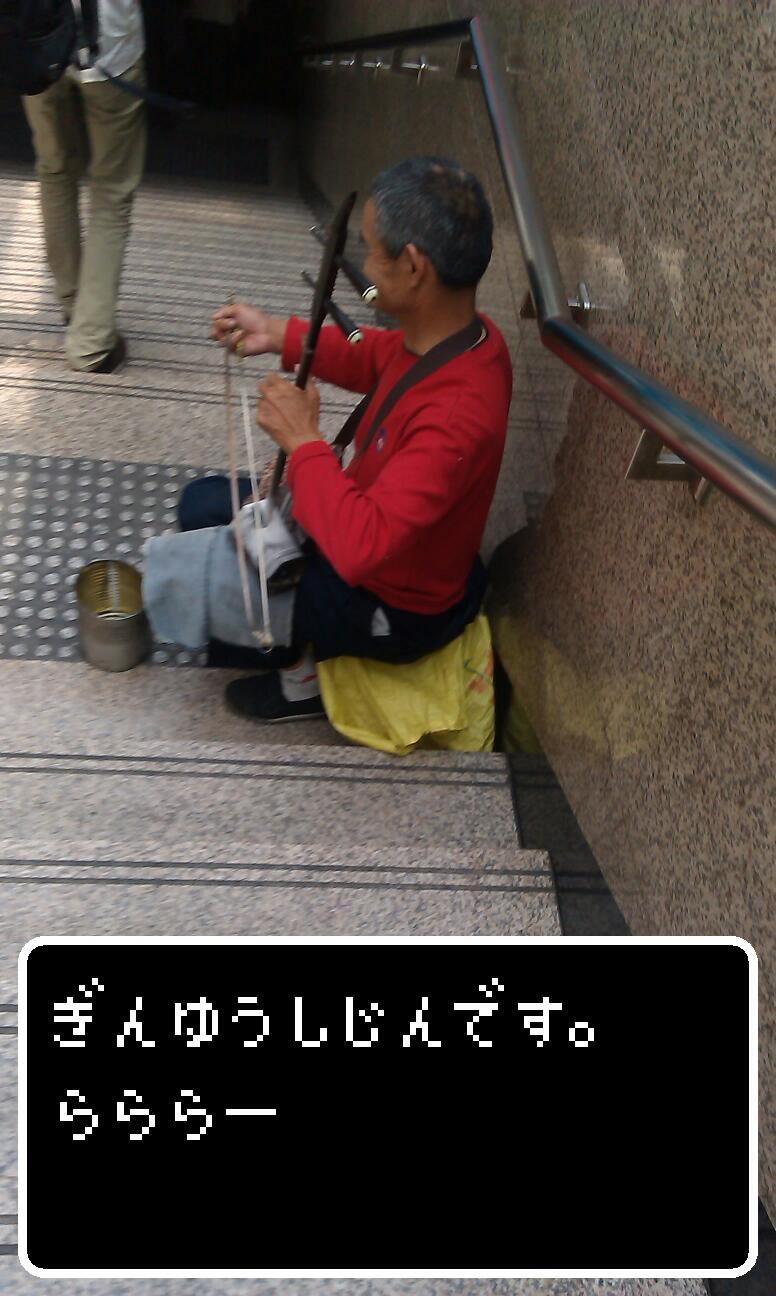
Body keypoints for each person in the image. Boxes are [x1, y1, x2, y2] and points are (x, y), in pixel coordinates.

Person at [144, 156, 513, 723]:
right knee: (200, 505)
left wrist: (304, 443)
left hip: (393, 602)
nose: (364, 264)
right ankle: (295, 642)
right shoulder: (466, 335)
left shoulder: (458, 416)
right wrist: (278, 334)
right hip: (363, 523)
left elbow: (362, 547)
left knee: (212, 582)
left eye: (373, 250)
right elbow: (381, 357)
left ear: (414, 267)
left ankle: (306, 681)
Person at [21, 0, 146, 373]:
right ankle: (90, 342)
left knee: (54, 170)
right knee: (112, 191)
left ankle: (75, 306)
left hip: (37, 35)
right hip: (111, 42)